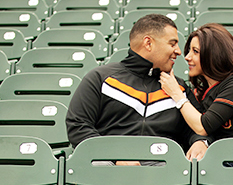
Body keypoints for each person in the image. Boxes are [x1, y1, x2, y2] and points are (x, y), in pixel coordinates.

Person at [66, 15, 206, 161]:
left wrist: (200, 142)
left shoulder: (179, 89)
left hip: (163, 174)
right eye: (172, 44)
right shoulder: (101, 79)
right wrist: (114, 158)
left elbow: (199, 127)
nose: (178, 51)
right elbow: (78, 126)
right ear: (148, 43)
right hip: (107, 171)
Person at [158, 22, 233, 144]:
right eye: (189, 51)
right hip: (232, 153)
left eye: (195, 51)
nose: (187, 57)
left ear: (213, 55)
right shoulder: (201, 92)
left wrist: (176, 93)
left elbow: (203, 127)